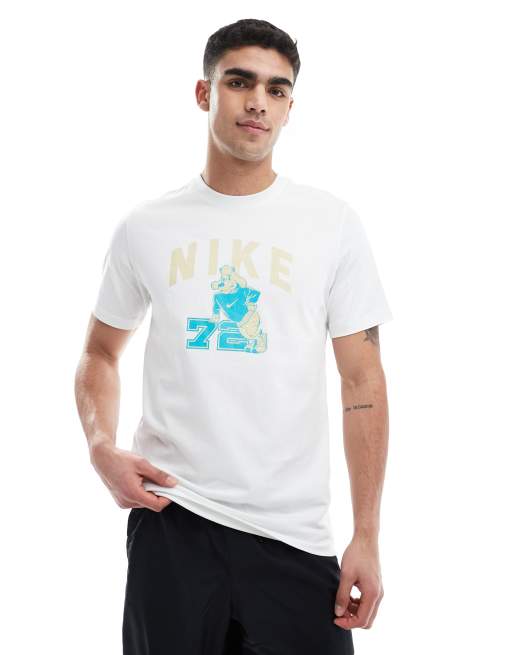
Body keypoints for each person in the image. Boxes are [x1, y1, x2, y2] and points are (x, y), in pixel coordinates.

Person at [75, 18, 393, 655]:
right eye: (240, 82)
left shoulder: (331, 225)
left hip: (294, 536)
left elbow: (362, 381)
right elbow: (100, 353)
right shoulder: (146, 227)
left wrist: (366, 534)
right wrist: (101, 445)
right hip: (174, 521)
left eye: (277, 89)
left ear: (290, 107)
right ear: (205, 93)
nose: (258, 103)